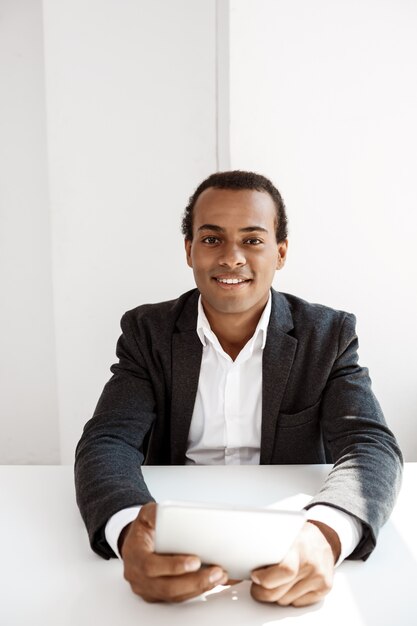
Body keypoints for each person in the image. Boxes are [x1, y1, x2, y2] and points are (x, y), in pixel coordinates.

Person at [75, 170, 402, 607]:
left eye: (252, 240)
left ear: (280, 252)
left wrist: (326, 535)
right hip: (178, 523)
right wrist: (130, 529)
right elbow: (108, 440)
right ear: (189, 250)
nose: (231, 257)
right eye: (211, 240)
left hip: (288, 527)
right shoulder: (147, 332)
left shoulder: (328, 335)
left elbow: (369, 444)